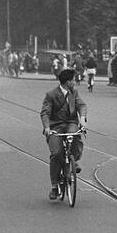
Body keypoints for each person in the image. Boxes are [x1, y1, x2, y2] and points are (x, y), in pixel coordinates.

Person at [40, 68, 86, 201]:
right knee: (56, 153)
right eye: (73, 80)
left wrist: (82, 118)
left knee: (75, 134)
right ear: (67, 82)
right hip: (56, 126)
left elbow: (81, 105)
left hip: (71, 122)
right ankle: (55, 186)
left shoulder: (74, 92)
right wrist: (47, 127)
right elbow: (45, 113)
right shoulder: (51, 95)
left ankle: (74, 160)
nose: (75, 82)